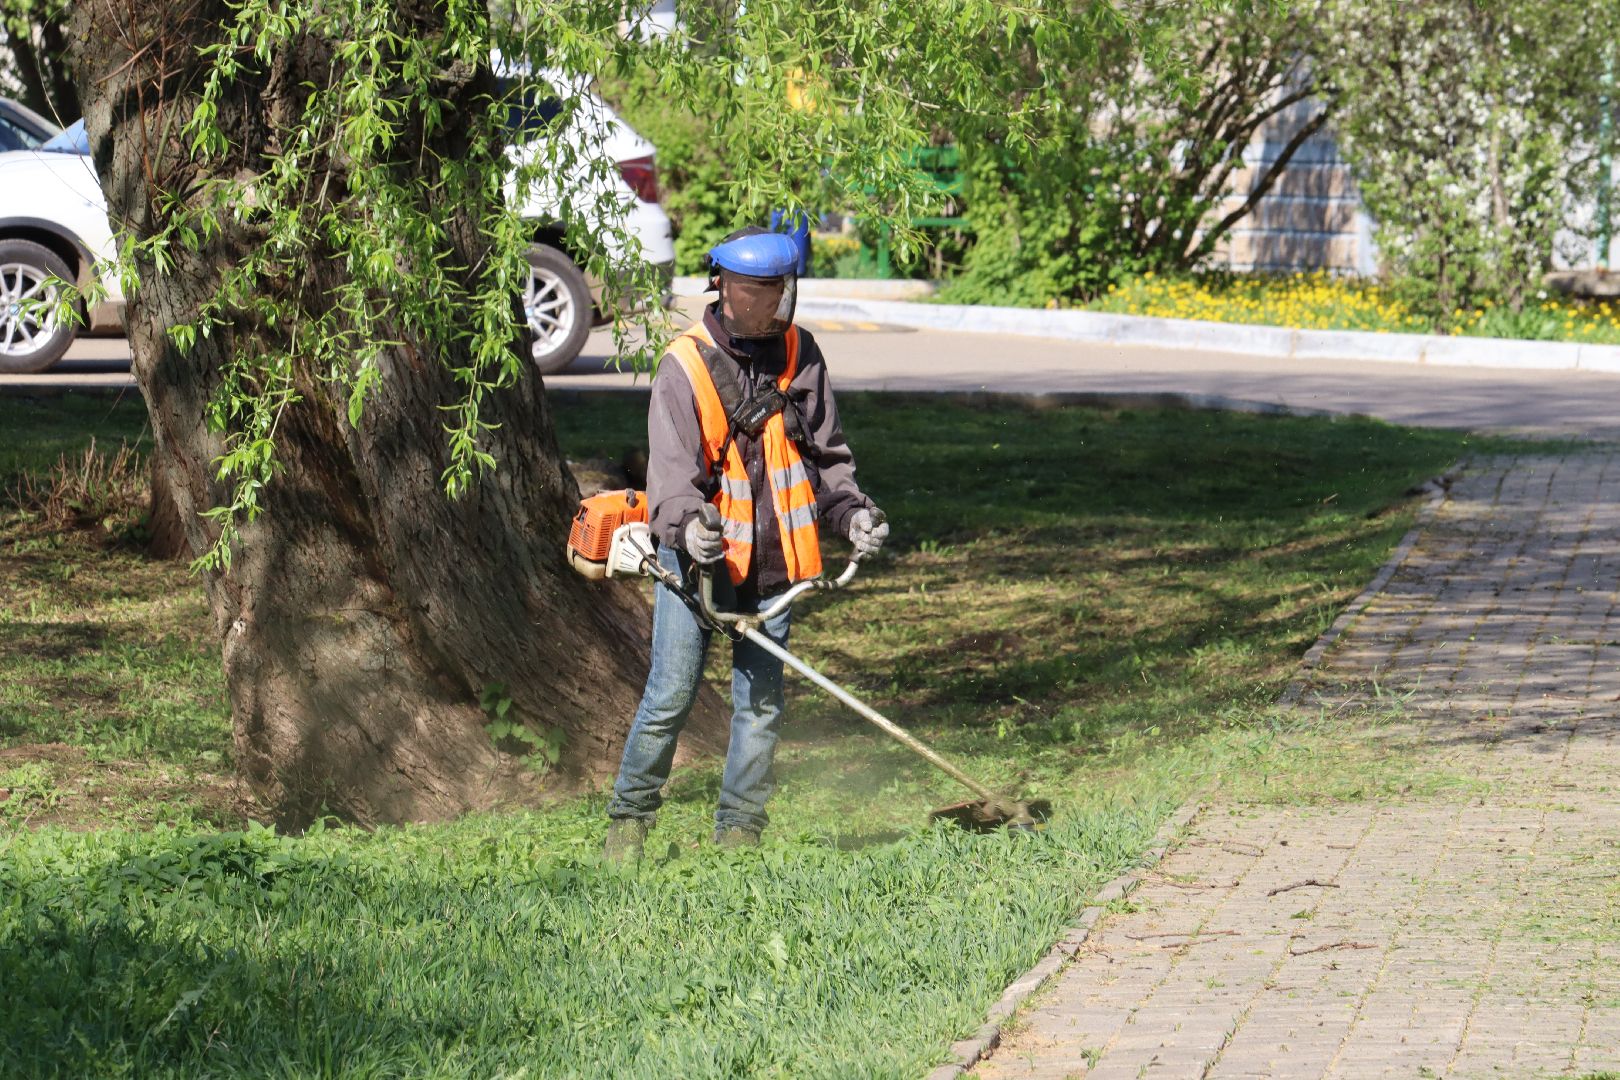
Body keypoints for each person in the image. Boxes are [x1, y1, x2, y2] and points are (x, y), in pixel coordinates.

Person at [604, 226, 888, 863]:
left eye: (780, 289)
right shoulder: (684, 364)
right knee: (671, 694)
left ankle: (739, 833)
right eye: (759, 290)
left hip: (776, 562)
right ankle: (629, 823)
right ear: (723, 287)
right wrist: (690, 527)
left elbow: (828, 460)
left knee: (760, 703)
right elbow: (671, 479)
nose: (773, 303)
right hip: (695, 562)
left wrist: (854, 516)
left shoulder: (800, 354)